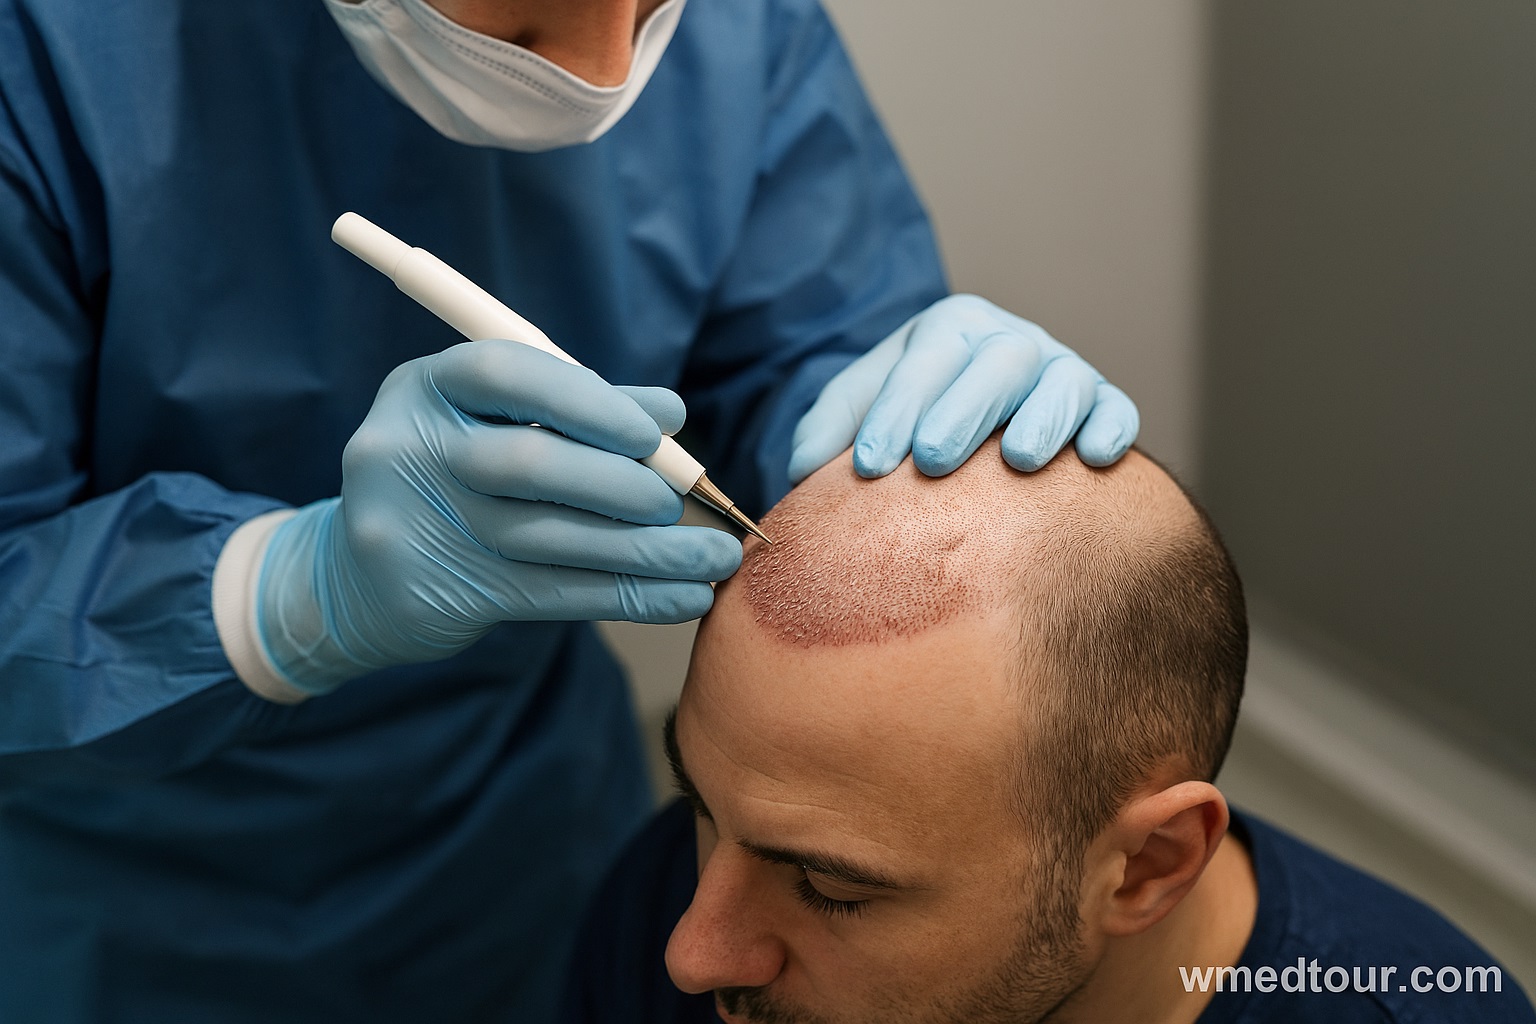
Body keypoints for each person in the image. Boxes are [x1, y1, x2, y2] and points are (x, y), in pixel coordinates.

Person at [0, 0, 1141, 1020]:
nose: (606, 70)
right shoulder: (51, 55)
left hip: (530, 837)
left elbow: (802, 335)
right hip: (117, 891)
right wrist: (282, 595)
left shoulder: (742, 33)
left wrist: (859, 430)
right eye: (529, 6)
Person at [566, 441, 1536, 1023]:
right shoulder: (673, 889)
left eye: (829, 886)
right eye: (699, 800)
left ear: (1149, 863)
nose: (694, 955)